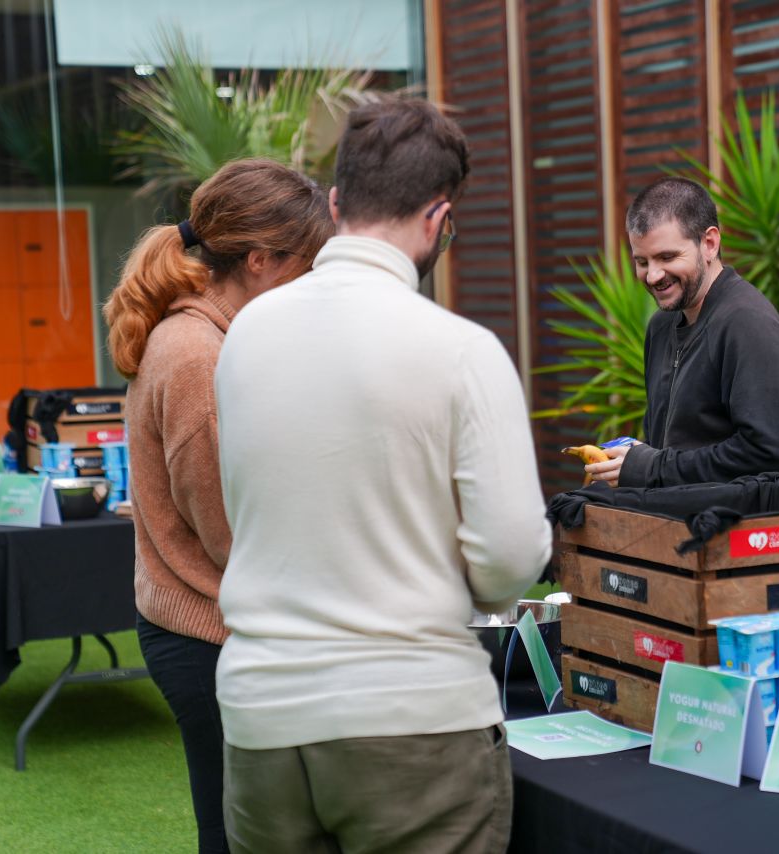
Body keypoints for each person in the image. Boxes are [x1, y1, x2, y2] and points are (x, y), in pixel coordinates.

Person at [213, 98, 552, 854]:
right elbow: (507, 564)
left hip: (263, 715)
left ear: (335, 204)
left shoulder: (244, 337)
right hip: (413, 719)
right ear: (438, 217)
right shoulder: (462, 351)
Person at [103, 159, 333, 854]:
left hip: (206, 629)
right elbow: (231, 530)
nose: (316, 282)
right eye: (310, 264)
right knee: (243, 838)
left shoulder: (206, 336)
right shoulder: (198, 355)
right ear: (261, 260)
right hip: (210, 638)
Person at [584, 176, 779, 487]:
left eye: (667, 257)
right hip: (671, 522)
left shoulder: (749, 325)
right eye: (642, 261)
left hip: (732, 528)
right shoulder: (661, 326)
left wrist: (653, 467)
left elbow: (766, 454)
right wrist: (632, 459)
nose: (653, 275)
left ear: (709, 243)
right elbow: (669, 445)